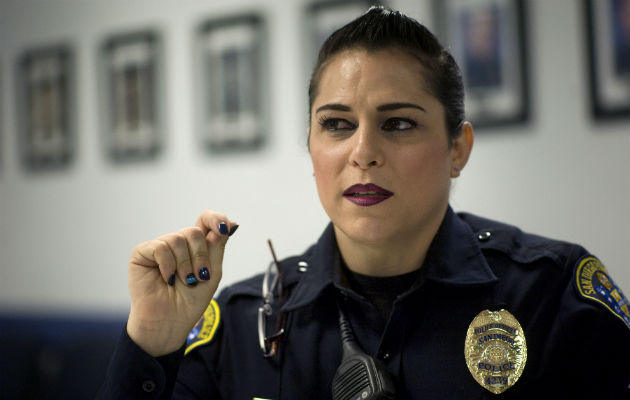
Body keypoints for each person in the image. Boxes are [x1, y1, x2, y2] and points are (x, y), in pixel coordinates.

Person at [97, 6, 630, 399]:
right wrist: (152, 343)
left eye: (398, 123)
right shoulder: (238, 327)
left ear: (457, 150)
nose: (364, 153)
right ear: (311, 148)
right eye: (337, 125)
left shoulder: (552, 294)